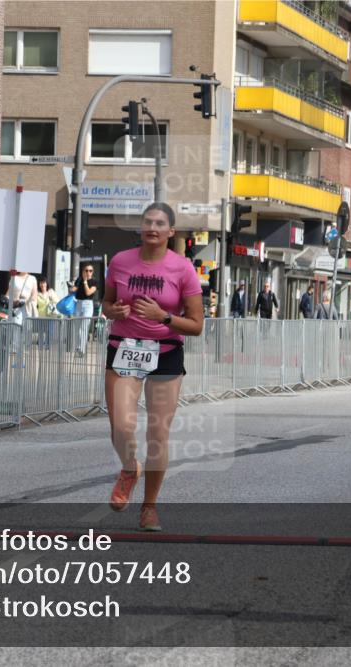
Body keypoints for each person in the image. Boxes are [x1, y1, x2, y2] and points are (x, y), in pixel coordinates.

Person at [102, 202, 203, 531]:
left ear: (171, 231)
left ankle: (149, 507)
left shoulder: (183, 269)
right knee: (120, 426)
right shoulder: (120, 262)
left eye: (160, 223)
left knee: (157, 433)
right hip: (125, 349)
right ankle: (130, 468)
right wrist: (113, 311)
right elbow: (106, 302)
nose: (153, 227)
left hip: (165, 351)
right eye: (148, 221)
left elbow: (197, 324)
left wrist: (164, 317)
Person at [74, 264, 98, 357]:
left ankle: (81, 349)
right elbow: (74, 289)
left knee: (83, 327)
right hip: (78, 303)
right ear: (83, 271)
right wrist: (71, 287)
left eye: (90, 270)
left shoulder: (94, 281)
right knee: (77, 327)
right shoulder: (79, 279)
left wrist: (84, 282)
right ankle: (78, 348)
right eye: (86, 270)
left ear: (93, 272)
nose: (88, 272)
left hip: (88, 304)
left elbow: (88, 292)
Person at [35, 277, 59, 348]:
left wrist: (51, 297)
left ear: (47, 284)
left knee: (50, 331)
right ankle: (41, 345)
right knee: (41, 331)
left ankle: (48, 345)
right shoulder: (37, 294)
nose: (43, 285)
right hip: (41, 315)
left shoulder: (51, 292)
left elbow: (57, 301)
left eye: (44, 283)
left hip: (50, 315)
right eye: (41, 283)